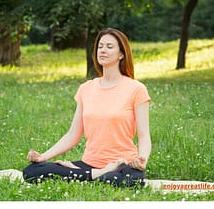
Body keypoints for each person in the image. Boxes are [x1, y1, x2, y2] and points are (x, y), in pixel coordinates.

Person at [23, 28, 151, 187]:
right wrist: (44, 157)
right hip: (89, 163)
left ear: (121, 54)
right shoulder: (86, 88)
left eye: (109, 47)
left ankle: (86, 175)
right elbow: (73, 135)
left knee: (121, 180)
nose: (103, 50)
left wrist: (142, 159)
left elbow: (144, 136)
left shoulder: (136, 89)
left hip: (123, 164)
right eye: (100, 46)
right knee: (31, 172)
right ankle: (96, 173)